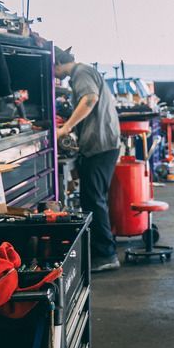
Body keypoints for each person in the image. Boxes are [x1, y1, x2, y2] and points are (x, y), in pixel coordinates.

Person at [54, 49, 122, 272]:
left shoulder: (81, 72)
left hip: (100, 146)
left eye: (52, 69)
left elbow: (91, 98)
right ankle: (102, 250)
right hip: (101, 145)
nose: (53, 75)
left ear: (58, 63)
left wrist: (66, 127)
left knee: (94, 200)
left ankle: (106, 255)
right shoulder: (82, 72)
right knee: (92, 199)